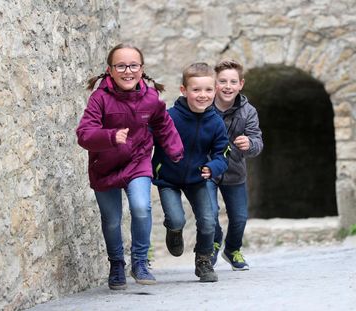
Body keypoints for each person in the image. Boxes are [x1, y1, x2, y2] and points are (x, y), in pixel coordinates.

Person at [76, 43, 184, 290]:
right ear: (110, 70)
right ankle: (116, 264)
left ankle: (140, 261)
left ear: (142, 69)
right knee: (112, 220)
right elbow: (84, 134)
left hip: (138, 162)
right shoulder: (99, 99)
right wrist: (111, 137)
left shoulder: (151, 98)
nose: (128, 71)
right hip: (104, 165)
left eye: (133, 65)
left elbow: (164, 125)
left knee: (141, 207)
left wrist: (175, 150)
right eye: (121, 66)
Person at [152, 62, 229, 282]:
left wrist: (212, 168)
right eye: (196, 90)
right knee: (177, 219)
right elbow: (147, 138)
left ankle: (203, 261)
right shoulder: (169, 117)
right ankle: (174, 230)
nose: (202, 95)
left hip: (198, 179)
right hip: (168, 178)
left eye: (207, 90)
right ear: (184, 90)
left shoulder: (215, 122)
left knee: (208, 221)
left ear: (214, 91)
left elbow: (222, 153)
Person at [208, 59, 263, 270]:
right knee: (209, 213)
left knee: (239, 218)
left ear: (241, 84)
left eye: (233, 82)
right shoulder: (205, 107)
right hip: (208, 170)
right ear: (215, 84)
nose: (227, 86)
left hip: (235, 171)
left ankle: (232, 250)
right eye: (222, 81)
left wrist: (249, 144)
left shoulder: (248, 111)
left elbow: (258, 142)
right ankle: (213, 242)